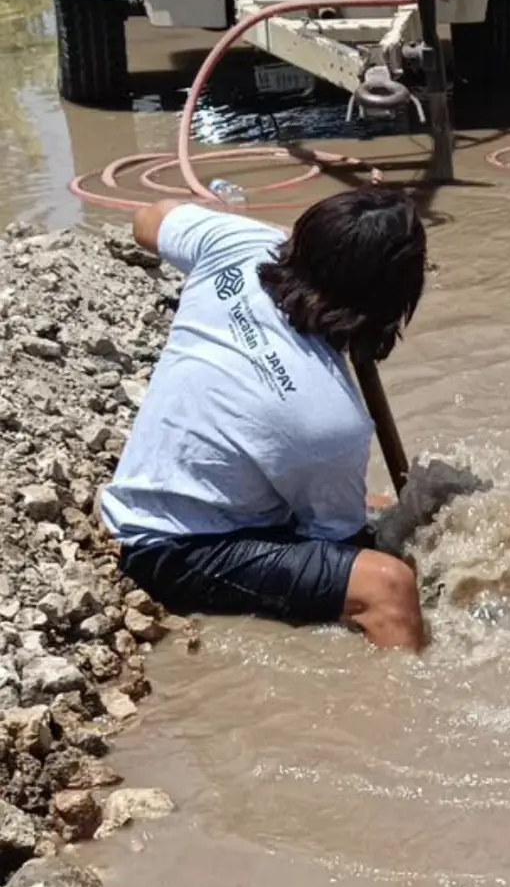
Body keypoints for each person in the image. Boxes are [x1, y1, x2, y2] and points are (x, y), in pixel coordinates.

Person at [100, 187, 430, 652]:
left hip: (158, 491)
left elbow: (147, 218)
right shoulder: (329, 419)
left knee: (373, 504)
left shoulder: (235, 243)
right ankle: (407, 708)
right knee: (388, 586)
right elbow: (342, 541)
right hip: (171, 548)